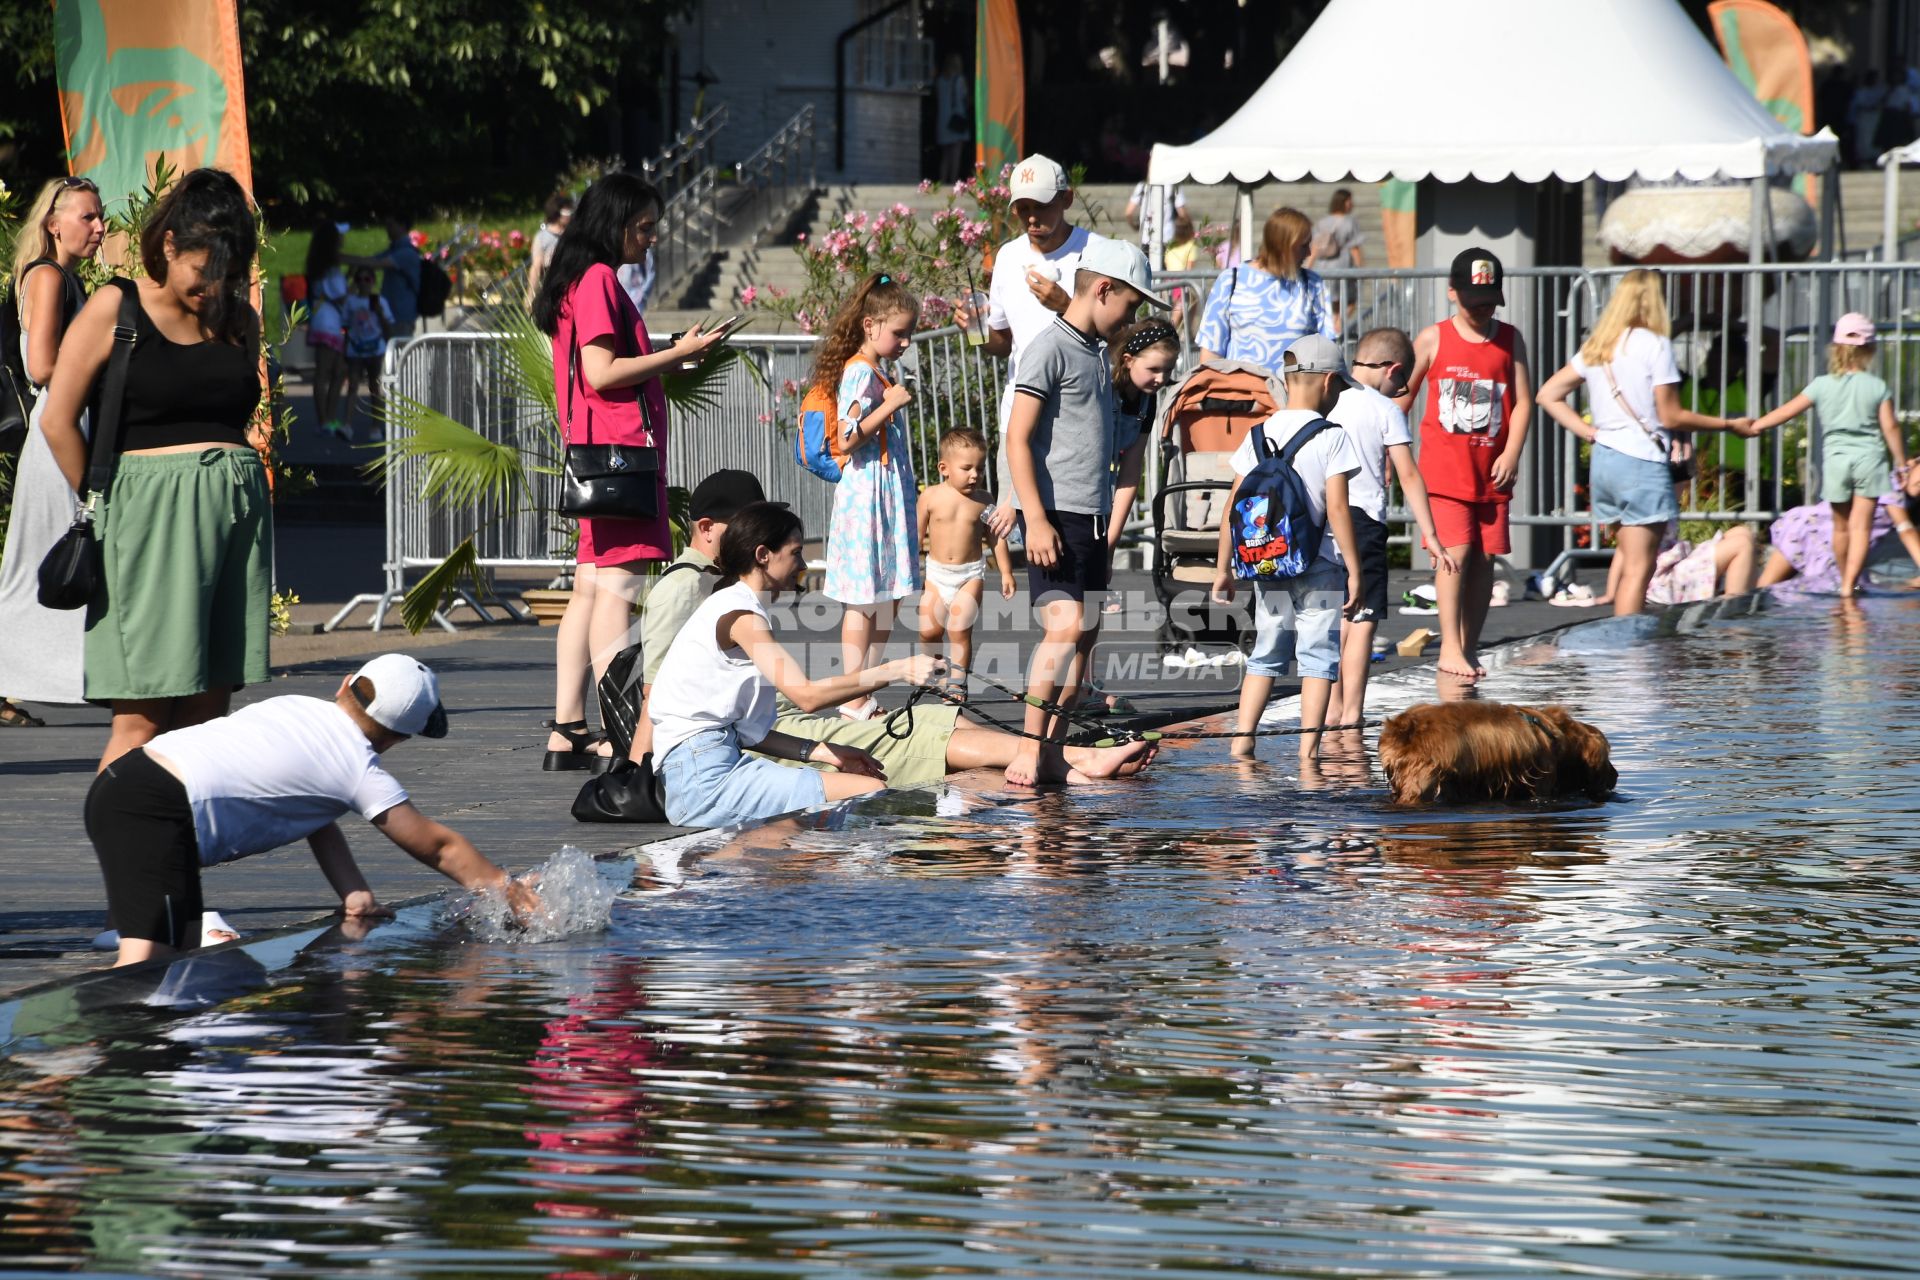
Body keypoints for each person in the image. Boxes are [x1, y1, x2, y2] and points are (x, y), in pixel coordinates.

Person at [636, 477, 1152, 790]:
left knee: (932, 716)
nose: (803, 564)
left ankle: (1069, 768)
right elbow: (657, 699)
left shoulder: (736, 599)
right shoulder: (706, 598)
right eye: (795, 552)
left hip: (759, 732)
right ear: (755, 548)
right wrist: (638, 770)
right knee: (914, 739)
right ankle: (1075, 762)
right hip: (726, 751)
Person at [83, 652, 536, 968]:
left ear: (344, 686)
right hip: (154, 813)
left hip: (129, 782)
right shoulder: (357, 770)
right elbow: (438, 848)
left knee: (178, 957)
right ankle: (52, 1064)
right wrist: (503, 886)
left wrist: (354, 892)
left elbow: (316, 815)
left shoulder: (296, 707)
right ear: (397, 738)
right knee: (143, 969)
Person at [39, 167, 269, 773]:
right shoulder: (118, 306)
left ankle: (176, 845)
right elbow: (57, 419)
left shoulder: (238, 318)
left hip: (231, 523)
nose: (213, 285)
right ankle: (124, 844)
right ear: (169, 246)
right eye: (203, 268)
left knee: (208, 709)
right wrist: (109, 499)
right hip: (147, 518)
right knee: (141, 715)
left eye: (228, 272)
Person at [530, 172, 726, 771]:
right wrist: (678, 355)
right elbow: (601, 372)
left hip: (599, 455)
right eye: (643, 226)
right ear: (611, 225)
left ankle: (568, 730)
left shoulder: (575, 280)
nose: (653, 237)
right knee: (618, 590)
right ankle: (618, 732)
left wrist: (665, 352)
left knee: (590, 590)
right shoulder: (597, 281)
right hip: (620, 459)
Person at [990, 239, 1169, 786]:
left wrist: (1107, 535)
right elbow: (1017, 439)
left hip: (1089, 518)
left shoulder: (1095, 353)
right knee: (1063, 627)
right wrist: (1034, 518)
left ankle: (1054, 749)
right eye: (1132, 306)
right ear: (1104, 290)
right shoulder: (1049, 349)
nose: (1133, 319)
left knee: (1084, 637)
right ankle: (1026, 746)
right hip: (1057, 516)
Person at [647, 502, 945, 829]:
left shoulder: (733, 606)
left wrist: (824, 752)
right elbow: (806, 696)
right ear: (763, 555)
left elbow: (748, 735)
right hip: (703, 779)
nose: (802, 564)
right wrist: (897, 670)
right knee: (869, 791)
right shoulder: (741, 616)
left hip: (703, 770)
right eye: (796, 552)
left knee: (850, 804)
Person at [1537, 269, 1758, 616]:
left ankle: (1628, 650)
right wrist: (1728, 424)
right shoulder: (1655, 345)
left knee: (1631, 563)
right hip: (1639, 461)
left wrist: (1589, 432)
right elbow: (1670, 416)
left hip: (1605, 461)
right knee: (1641, 571)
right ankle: (1629, 654)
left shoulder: (1598, 347)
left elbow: (1548, 394)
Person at [1208, 336, 1363, 761]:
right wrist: (1355, 569)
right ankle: (1308, 751)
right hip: (1320, 563)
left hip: (1266, 560)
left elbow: (1233, 505)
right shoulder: (1332, 436)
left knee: (1267, 649)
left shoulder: (1257, 434)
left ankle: (1242, 739)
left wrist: (1224, 568)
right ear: (1329, 382)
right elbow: (1337, 507)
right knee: (1317, 656)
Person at [1402, 247, 1534, 682]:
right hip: (1445, 471)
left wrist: (1512, 452)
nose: (1482, 311)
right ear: (1452, 294)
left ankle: (1470, 643)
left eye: (1489, 302)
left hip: (1490, 471)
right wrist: (1390, 453)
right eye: (1473, 303)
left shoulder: (1509, 339)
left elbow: (1523, 402)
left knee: (1483, 559)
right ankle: (1451, 646)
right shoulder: (1433, 338)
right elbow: (1400, 399)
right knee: (1454, 553)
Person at [0, 175, 103, 719]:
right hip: (58, 423)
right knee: (44, 554)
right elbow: (41, 364)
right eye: (87, 217)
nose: (99, 226)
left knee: (51, 550)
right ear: (53, 222)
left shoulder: (61, 277)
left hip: (66, 419)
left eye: (99, 215)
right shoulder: (47, 276)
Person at [1327, 327, 1458, 726]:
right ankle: (1352, 715)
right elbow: (1409, 475)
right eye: (1402, 383)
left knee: (1333, 619)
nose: (1401, 391)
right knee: (1363, 617)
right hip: (1363, 520)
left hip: (1324, 519)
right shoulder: (1384, 409)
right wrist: (1432, 536)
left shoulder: (1327, 400)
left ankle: (1329, 712)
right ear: (1393, 370)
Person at [961, 154, 1107, 494]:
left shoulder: (1098, 252)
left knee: (1072, 534)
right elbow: (1001, 344)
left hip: (1078, 419)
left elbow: (1118, 338)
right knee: (1015, 532)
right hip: (1018, 419)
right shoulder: (1008, 256)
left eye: (1040, 205)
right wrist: (973, 330)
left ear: (1066, 199)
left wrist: (1066, 307)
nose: (1031, 217)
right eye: (1021, 207)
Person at [815, 273, 923, 720]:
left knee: (887, 596)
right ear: (870, 325)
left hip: (885, 495)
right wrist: (890, 405)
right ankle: (854, 693)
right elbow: (848, 435)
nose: (904, 342)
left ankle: (864, 688)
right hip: (867, 499)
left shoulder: (876, 369)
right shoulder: (860, 371)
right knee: (864, 598)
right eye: (898, 332)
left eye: (908, 334)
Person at [1751, 313, 1908, 598]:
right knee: (1861, 527)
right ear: (1870, 350)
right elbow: (1891, 426)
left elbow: (1787, 410)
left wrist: (1756, 425)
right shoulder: (1877, 387)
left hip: (1836, 461)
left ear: (1835, 348)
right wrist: (1900, 462)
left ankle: (1840, 576)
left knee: (1840, 527)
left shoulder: (1821, 384)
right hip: (1870, 460)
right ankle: (1849, 585)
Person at [918, 428, 1017, 683]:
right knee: (929, 631)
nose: (975, 475)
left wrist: (1006, 571)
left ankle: (957, 683)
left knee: (959, 630)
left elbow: (996, 537)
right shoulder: (930, 497)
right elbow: (915, 536)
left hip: (969, 575)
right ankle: (937, 674)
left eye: (980, 468)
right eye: (967, 468)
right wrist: (908, 569)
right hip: (936, 575)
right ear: (944, 468)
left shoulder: (984, 500)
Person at [1195, 206, 1338, 371]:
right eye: (1303, 246)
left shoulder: (1313, 284)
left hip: (1294, 394)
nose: (1308, 253)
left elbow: (1328, 353)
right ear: (1285, 246)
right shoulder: (1231, 281)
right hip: (1242, 393)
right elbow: (1211, 352)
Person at [1756, 489, 1920, 595]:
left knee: (1852, 588)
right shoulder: (1890, 485)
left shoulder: (1911, 499)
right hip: (1809, 529)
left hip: (1827, 542)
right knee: (1763, 591)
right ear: (1912, 463)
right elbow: (1906, 530)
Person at [303, 220, 350, 436]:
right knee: (326, 372)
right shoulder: (330, 265)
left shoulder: (325, 264)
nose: (343, 239)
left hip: (329, 321)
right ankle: (325, 420)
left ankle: (328, 418)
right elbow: (339, 296)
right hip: (327, 323)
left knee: (337, 371)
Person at [343, 216, 421, 342]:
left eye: (391, 225)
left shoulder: (407, 253)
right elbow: (370, 260)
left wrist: (340, 258)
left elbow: (375, 263)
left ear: (402, 226)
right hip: (390, 315)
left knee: (398, 356)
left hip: (401, 317)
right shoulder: (394, 250)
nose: (387, 229)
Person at [340, 266, 395, 438]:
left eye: (367, 279)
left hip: (375, 348)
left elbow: (388, 327)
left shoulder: (380, 301)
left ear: (373, 282)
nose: (363, 283)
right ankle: (347, 425)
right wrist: (344, 349)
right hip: (356, 348)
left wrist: (379, 314)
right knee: (353, 385)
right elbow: (346, 326)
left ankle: (376, 426)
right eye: (360, 280)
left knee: (375, 387)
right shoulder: (351, 301)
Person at [526, 192, 574, 305]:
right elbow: (537, 267)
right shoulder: (542, 237)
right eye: (566, 211)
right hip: (552, 287)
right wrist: (530, 295)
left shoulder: (572, 236)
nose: (570, 215)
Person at [933, 53, 970, 184]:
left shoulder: (939, 81)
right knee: (956, 154)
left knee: (945, 156)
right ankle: (953, 181)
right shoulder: (959, 80)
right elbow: (965, 98)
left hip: (943, 120)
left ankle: (943, 181)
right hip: (956, 119)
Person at [1305, 188, 1364, 269]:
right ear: (1343, 202)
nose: (1352, 204)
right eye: (1349, 201)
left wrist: (1308, 266)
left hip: (1323, 267)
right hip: (1343, 266)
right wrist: (1360, 268)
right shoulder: (1350, 222)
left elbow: (1315, 247)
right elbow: (1354, 248)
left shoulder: (1322, 222)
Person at [1124, 181, 1186, 247]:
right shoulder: (1174, 184)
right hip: (1167, 236)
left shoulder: (1143, 184)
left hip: (1147, 237)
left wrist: (1135, 226)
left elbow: (1128, 213)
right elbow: (1182, 214)